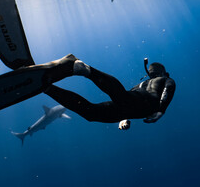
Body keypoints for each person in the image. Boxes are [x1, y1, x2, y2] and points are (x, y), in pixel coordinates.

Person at [43, 54, 176, 130]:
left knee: (91, 113)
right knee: (117, 99)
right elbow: (168, 90)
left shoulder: (145, 83)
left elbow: (127, 97)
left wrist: (124, 117)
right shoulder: (165, 79)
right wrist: (161, 110)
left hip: (135, 106)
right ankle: (85, 71)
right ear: (164, 72)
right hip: (144, 107)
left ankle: (48, 88)